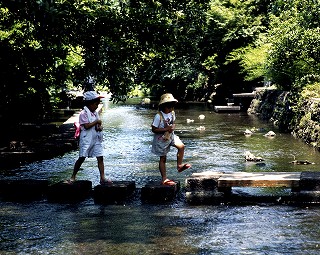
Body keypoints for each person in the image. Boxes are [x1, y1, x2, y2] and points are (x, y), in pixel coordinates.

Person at [67, 90, 110, 185]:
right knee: (82, 157)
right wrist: (97, 122)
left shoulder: (95, 113)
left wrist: (99, 127)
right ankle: (73, 176)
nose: (97, 106)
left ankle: (102, 177)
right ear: (90, 104)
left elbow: (96, 126)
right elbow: (86, 126)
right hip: (86, 139)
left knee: (100, 157)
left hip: (95, 139)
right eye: (96, 104)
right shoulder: (83, 113)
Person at [151, 93, 191, 185]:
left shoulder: (172, 113)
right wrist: (166, 129)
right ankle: (164, 178)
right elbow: (154, 129)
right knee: (163, 158)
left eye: (172, 106)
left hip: (171, 135)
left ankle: (179, 166)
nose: (170, 108)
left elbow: (173, 122)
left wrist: (172, 127)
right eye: (168, 107)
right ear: (163, 106)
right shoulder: (158, 116)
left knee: (181, 146)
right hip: (161, 139)